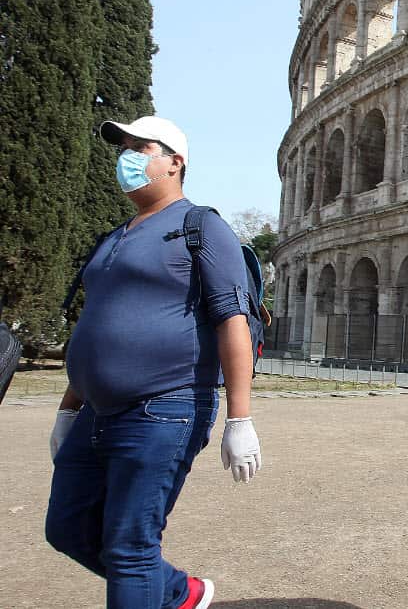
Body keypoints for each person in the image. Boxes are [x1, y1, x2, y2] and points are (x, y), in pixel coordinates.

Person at [45, 116, 262, 609]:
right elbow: (93, 328)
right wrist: (67, 409)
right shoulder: (112, 238)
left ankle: (168, 591)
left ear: (175, 162)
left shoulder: (200, 227)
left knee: (129, 547)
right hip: (96, 412)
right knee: (67, 527)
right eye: (123, 148)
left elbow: (233, 321)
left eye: (140, 148)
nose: (127, 158)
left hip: (163, 408)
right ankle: (181, 593)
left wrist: (240, 418)